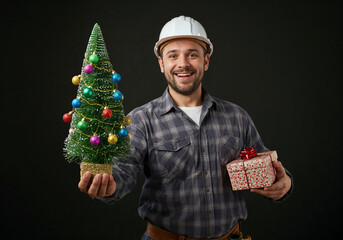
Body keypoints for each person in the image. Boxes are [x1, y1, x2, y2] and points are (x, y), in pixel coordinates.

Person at [78, 15, 293, 240]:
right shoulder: (141, 120)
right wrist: (107, 186)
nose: (183, 64)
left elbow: (266, 167)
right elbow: (123, 172)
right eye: (173, 55)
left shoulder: (237, 117)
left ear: (206, 61)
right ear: (162, 64)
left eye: (192, 54)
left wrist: (284, 183)